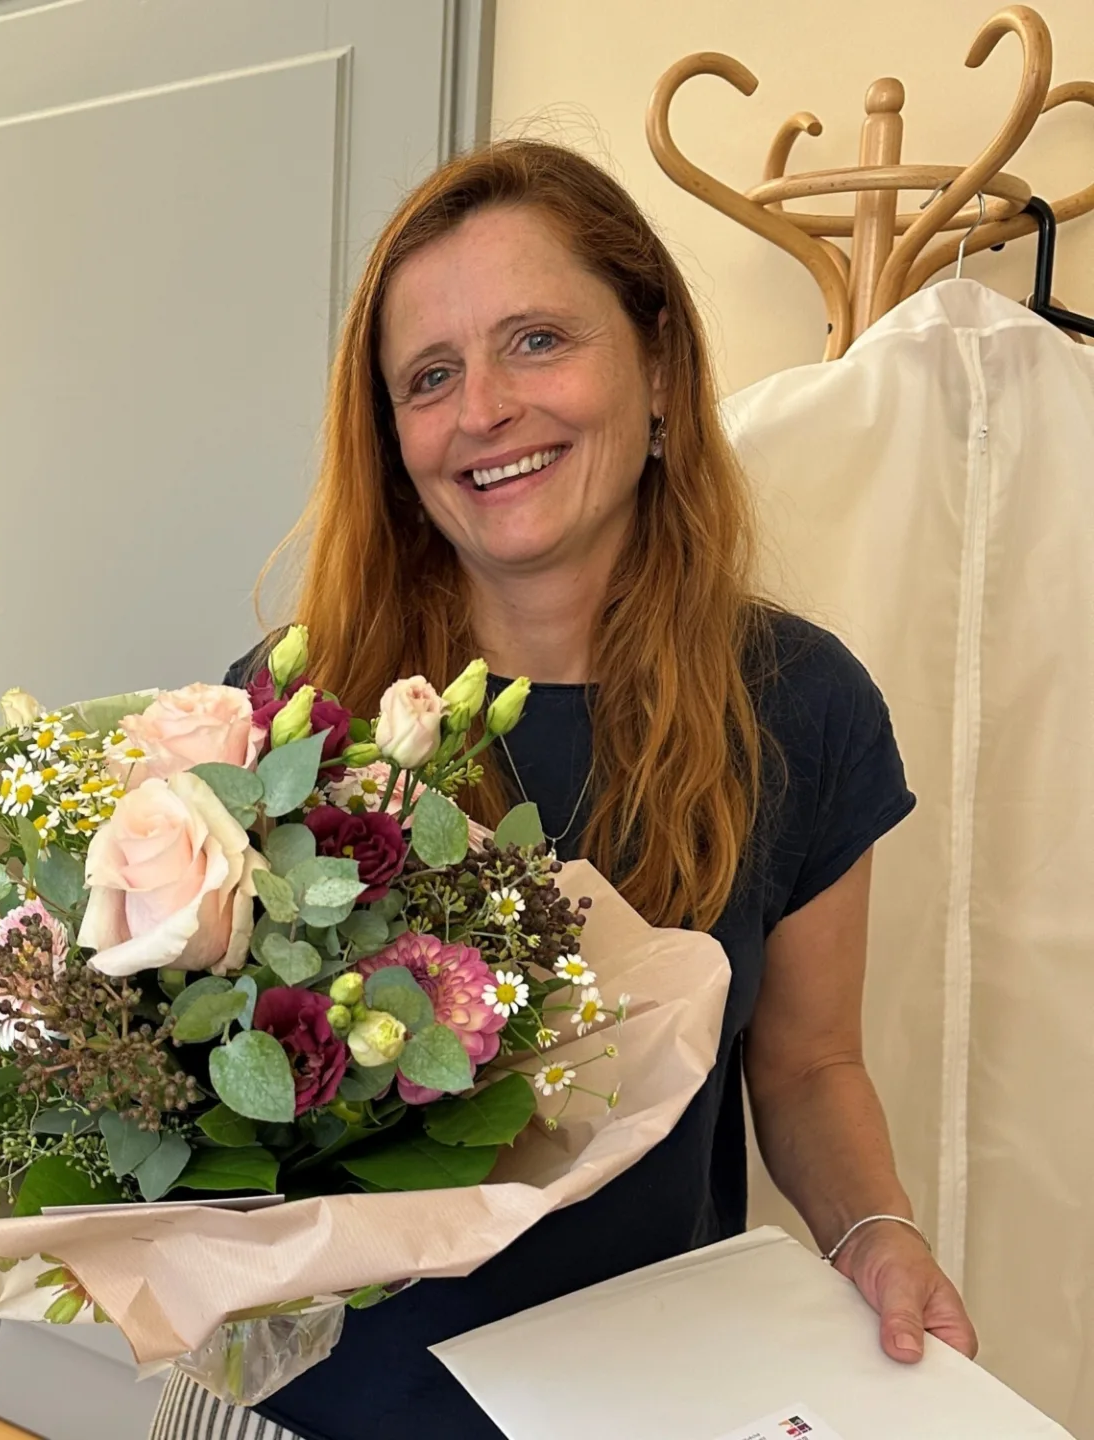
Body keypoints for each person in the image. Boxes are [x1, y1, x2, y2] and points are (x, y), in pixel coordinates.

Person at [153, 140, 977, 1440]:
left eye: (536, 341)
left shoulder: (801, 708)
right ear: (392, 437)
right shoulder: (294, 710)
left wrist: (877, 1231)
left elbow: (811, 1064)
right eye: (430, 376)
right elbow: (207, 1083)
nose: (482, 406)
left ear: (656, 362)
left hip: (636, 1403)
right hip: (303, 1412)